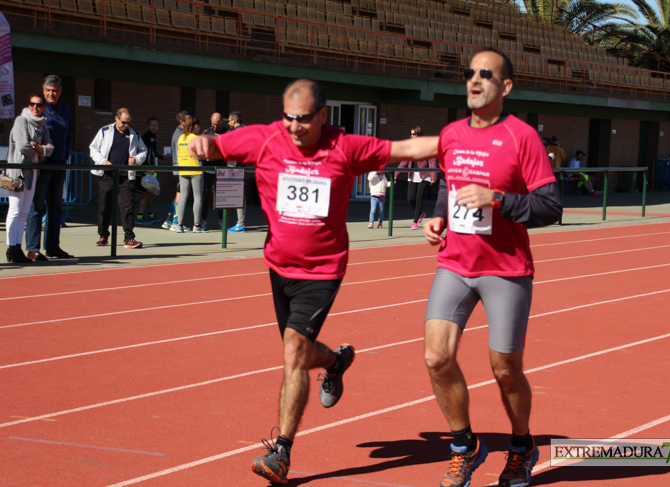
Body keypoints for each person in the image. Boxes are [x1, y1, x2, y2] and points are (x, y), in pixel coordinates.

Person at [187, 78, 438, 486]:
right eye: (288, 117)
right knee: (299, 353)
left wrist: (465, 142)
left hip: (322, 270)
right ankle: (336, 362)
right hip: (278, 265)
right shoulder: (266, 139)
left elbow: (405, 150)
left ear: (323, 115)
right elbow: (218, 146)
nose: (294, 127)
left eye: (303, 119)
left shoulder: (345, 146)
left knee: (292, 352)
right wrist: (202, 143)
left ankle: (281, 450)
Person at [422, 48, 562, 487]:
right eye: (470, 73)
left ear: (506, 87)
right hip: (455, 265)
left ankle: (522, 447)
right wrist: (439, 214)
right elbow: (450, 184)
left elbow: (550, 206)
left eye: (487, 74)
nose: (475, 80)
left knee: (505, 369)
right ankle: (466, 447)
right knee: (436, 357)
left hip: (506, 270)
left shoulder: (523, 137)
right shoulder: (451, 134)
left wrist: (498, 199)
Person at [25, 75, 74, 261]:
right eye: (48, 90)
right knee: (37, 207)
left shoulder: (65, 109)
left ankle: (53, 247)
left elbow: (69, 133)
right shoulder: (38, 109)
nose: (51, 93)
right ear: (43, 91)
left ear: (60, 92)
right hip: (42, 165)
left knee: (55, 208)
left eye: (54, 90)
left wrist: (65, 155)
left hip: (60, 164)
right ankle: (32, 249)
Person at [4, 94, 54, 263]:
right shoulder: (21, 120)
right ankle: (12, 248)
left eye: (39, 105)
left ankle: (17, 247)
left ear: (43, 107)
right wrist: (39, 149)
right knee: (15, 210)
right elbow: (23, 145)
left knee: (24, 212)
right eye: (32, 104)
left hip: (33, 172)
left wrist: (37, 147)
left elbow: (50, 148)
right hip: (18, 171)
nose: (35, 107)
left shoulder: (43, 125)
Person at [89, 108, 148, 249]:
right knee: (105, 206)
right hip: (108, 174)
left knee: (127, 207)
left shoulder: (134, 134)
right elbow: (93, 148)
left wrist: (136, 159)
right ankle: (103, 236)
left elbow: (143, 150)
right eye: (124, 122)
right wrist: (102, 161)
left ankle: (129, 238)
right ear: (116, 118)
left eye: (129, 123)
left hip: (126, 176)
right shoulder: (105, 131)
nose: (126, 125)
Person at [394, 126, 438, 229]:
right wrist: (395, 175)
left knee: (419, 198)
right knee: (410, 199)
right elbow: (403, 162)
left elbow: (432, 161)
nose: (412, 136)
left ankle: (415, 222)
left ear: (419, 135)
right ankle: (421, 214)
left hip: (424, 175)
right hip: (413, 176)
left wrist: (433, 176)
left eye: (414, 134)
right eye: (411, 134)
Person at [176, 116, 206, 233]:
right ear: (196, 126)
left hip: (183, 169)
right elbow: (202, 154)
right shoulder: (196, 138)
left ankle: (179, 224)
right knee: (198, 197)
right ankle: (196, 225)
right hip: (195, 170)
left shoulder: (181, 138)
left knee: (183, 196)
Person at [201, 112, 229, 230]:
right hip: (207, 168)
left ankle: (221, 220)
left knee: (221, 195)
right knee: (205, 194)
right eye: (213, 124)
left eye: (217, 124)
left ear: (222, 121)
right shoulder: (207, 132)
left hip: (221, 168)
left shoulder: (227, 133)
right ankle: (203, 220)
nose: (215, 126)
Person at [162, 110, 188, 231]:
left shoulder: (181, 132)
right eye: (188, 120)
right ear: (181, 121)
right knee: (180, 194)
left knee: (178, 194)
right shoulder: (179, 135)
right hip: (180, 168)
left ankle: (169, 220)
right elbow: (180, 153)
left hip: (179, 168)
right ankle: (175, 222)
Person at [136, 117, 164, 224]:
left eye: (155, 125)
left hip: (152, 171)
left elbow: (153, 155)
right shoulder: (146, 138)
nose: (153, 127)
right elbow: (144, 155)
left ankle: (151, 215)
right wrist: (147, 168)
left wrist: (162, 157)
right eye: (151, 125)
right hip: (146, 171)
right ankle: (139, 217)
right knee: (147, 194)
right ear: (148, 126)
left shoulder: (154, 138)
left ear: (158, 127)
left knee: (150, 193)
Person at [227, 111, 248, 233]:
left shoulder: (235, 132)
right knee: (239, 194)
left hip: (235, 165)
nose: (229, 123)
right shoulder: (247, 130)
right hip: (242, 164)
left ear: (234, 121)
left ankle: (240, 223)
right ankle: (240, 222)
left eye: (229, 120)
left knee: (237, 194)